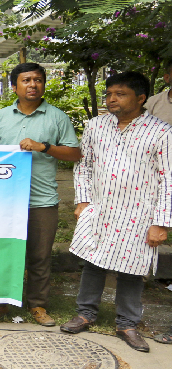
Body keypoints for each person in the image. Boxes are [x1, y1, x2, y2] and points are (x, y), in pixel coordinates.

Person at [61, 71, 171, 353]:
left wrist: (161, 222)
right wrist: (82, 201)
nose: (111, 99)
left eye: (120, 94)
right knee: (93, 262)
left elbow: (169, 178)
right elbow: (84, 165)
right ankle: (85, 313)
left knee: (132, 269)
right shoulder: (97, 126)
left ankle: (127, 323)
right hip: (100, 208)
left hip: (139, 214)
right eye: (109, 94)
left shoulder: (161, 131)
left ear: (141, 98)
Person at [0, 62, 81, 327]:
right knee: (3, 253)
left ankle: (38, 305)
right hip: (5, 200)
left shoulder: (57, 117)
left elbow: (74, 154)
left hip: (41, 200)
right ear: (14, 86)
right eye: (26, 80)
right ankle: (0, 303)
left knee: (39, 256)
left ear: (43, 84)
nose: (33, 85)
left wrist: (44, 147)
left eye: (37, 80)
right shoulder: (0, 117)